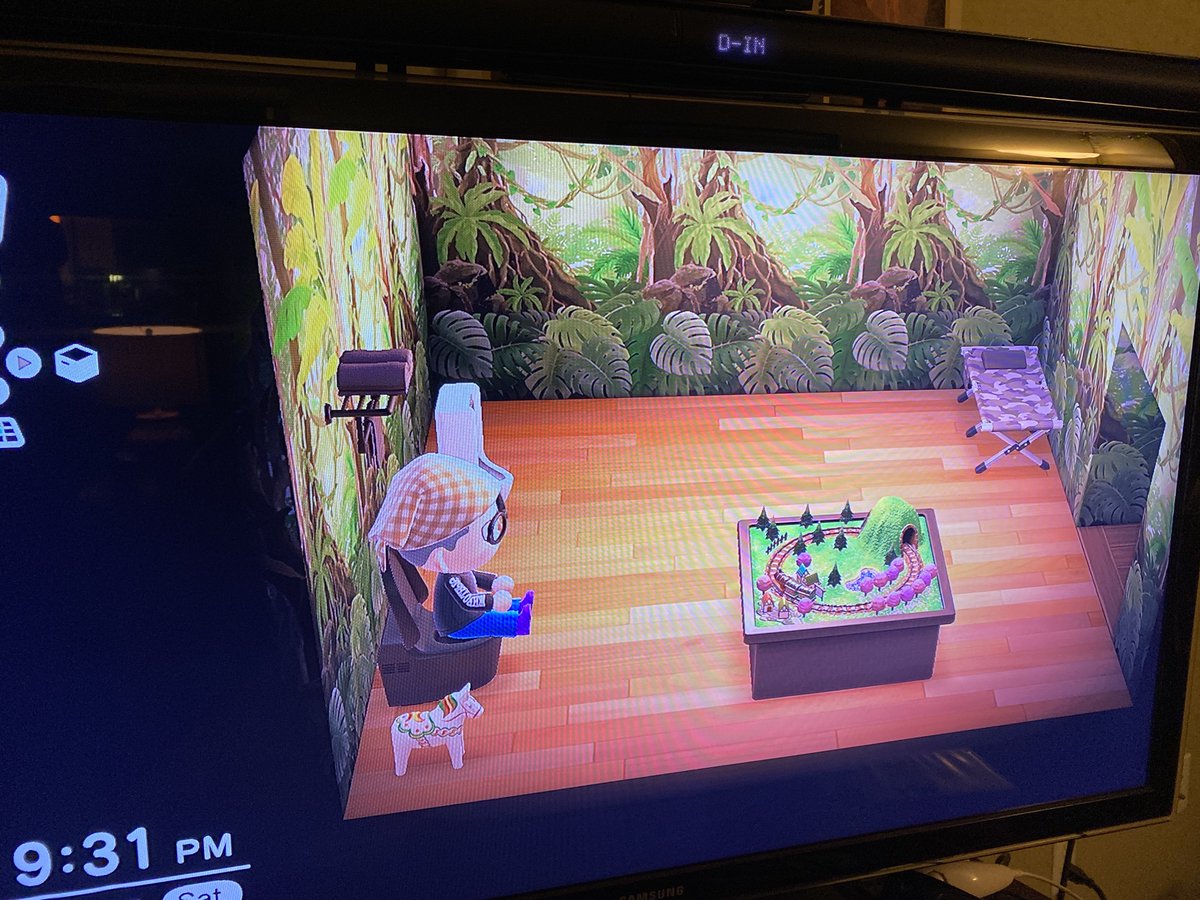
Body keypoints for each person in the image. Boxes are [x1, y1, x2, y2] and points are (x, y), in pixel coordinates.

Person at [369, 452, 532, 640]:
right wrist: (491, 601)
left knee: (490, 613)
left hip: (466, 616)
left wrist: (494, 582)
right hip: (458, 624)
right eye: (487, 531)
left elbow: (474, 576)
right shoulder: (451, 579)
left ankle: (517, 605)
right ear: (440, 552)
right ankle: (518, 623)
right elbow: (468, 601)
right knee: (491, 620)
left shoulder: (457, 568)